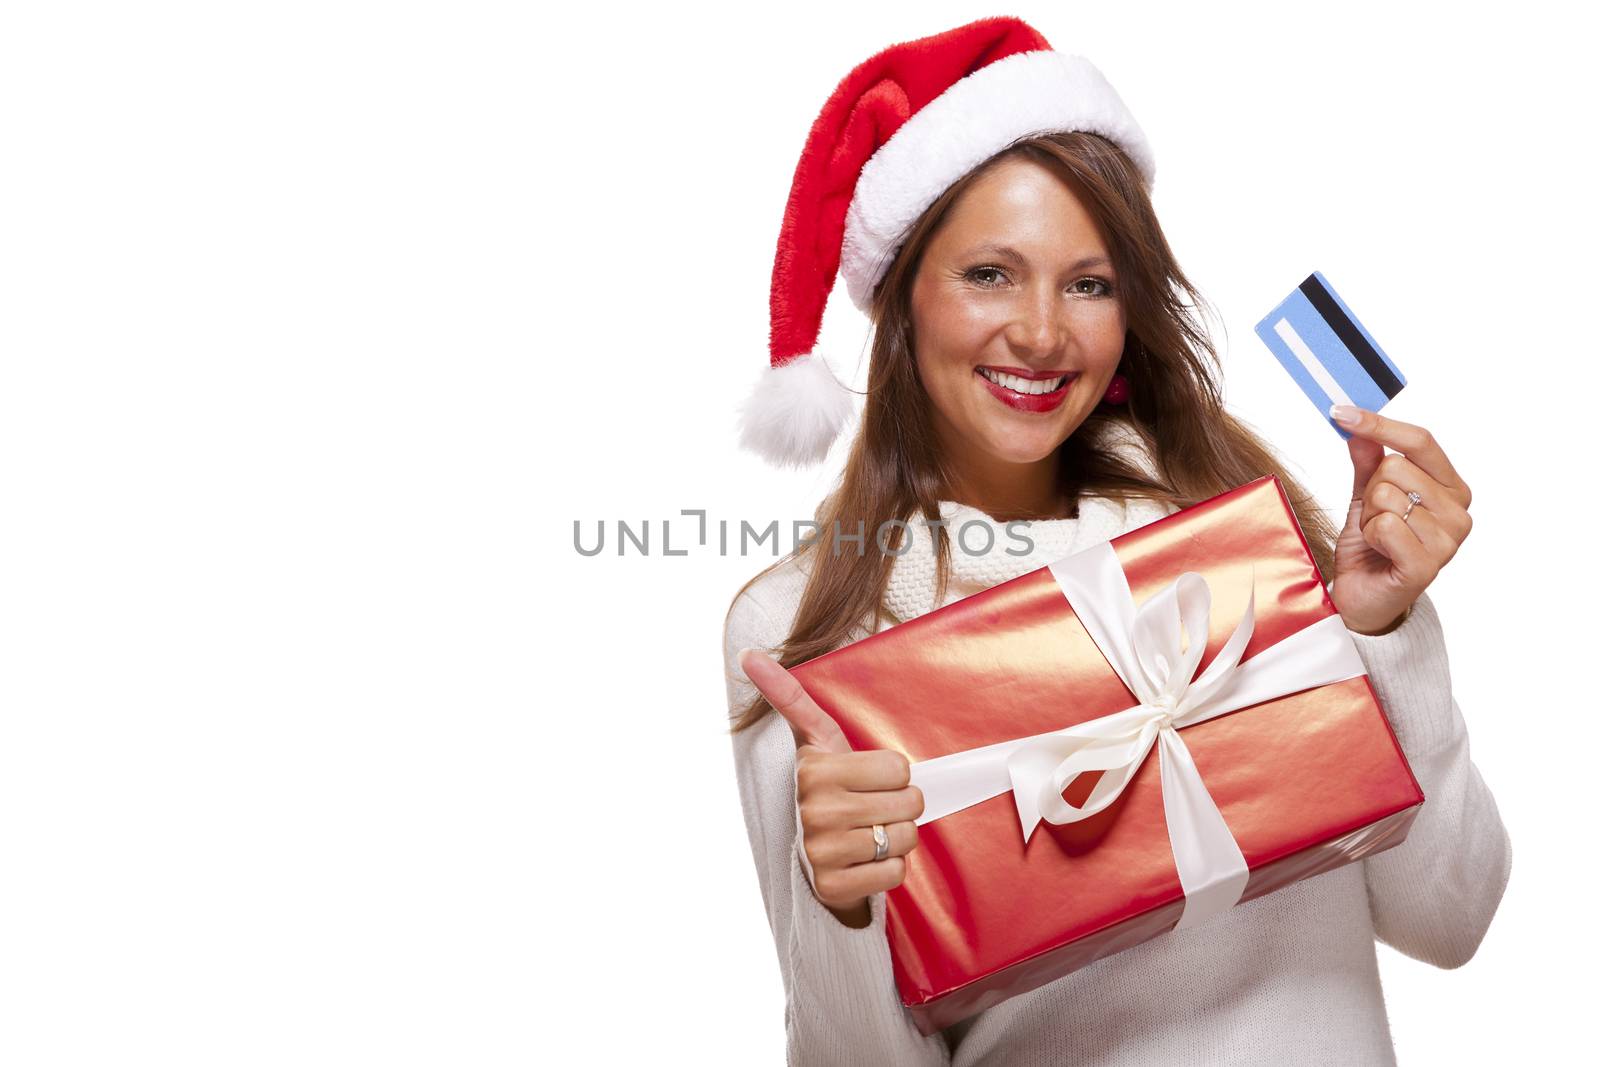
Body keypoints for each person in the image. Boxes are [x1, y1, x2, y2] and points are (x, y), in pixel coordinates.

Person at [720, 17, 1511, 1066]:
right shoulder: (807, 627)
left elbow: (1449, 921)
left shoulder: (1240, 536)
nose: (1044, 332)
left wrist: (1385, 628)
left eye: (1088, 283)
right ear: (902, 300)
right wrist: (840, 902)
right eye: (990, 274)